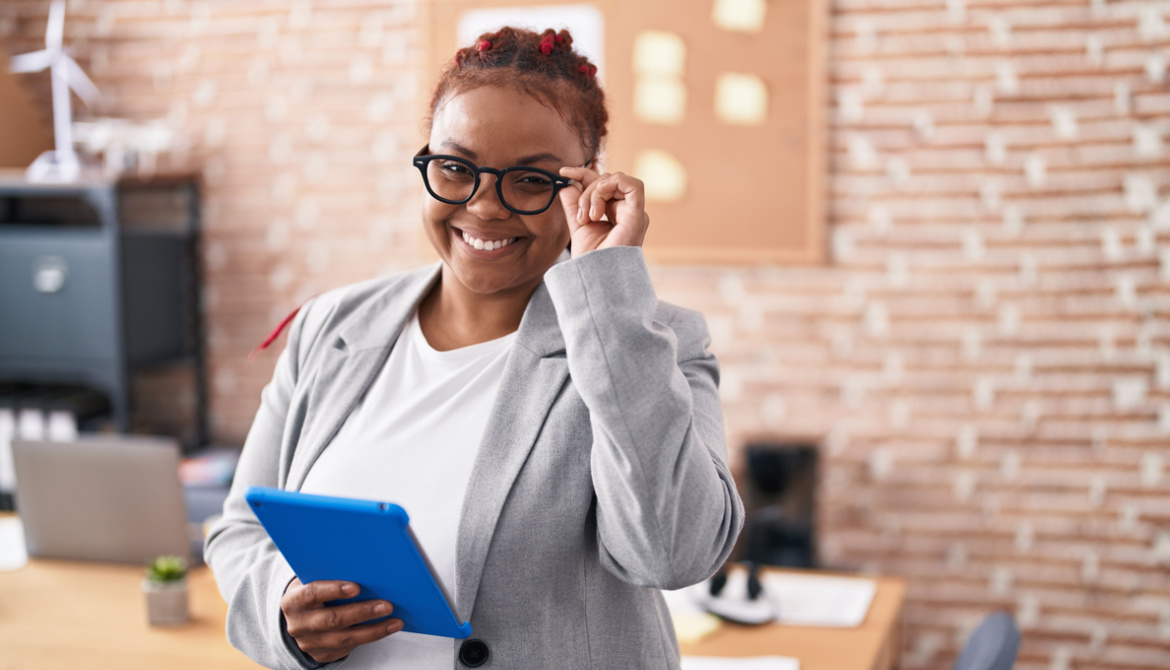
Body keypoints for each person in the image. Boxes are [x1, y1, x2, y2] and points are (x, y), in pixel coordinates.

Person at [204, 26, 744, 670]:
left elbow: (673, 552)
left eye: (530, 181)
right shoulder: (330, 325)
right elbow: (240, 532)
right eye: (457, 168)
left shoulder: (655, 340)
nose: (485, 207)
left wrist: (607, 289)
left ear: (588, 185)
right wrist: (282, 610)